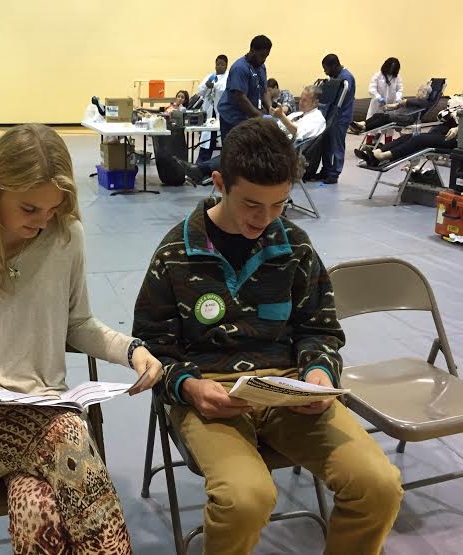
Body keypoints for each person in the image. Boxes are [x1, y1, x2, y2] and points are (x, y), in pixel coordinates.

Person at [133, 117, 403, 555]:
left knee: (379, 485)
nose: (265, 219)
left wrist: (318, 374)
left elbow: (319, 329)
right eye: (251, 204)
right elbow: (150, 348)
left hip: (288, 391)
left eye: (279, 204)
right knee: (245, 500)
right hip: (210, 395)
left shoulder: (294, 246)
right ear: (219, 184)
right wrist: (189, 387)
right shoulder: (176, 253)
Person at [0, 124, 164, 553]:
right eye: (29, 208)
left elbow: (77, 324)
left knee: (39, 510)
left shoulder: (65, 236)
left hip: (43, 412)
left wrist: (131, 349)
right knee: (68, 435)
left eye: (53, 208)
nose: (43, 221)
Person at [176, 35, 273, 185]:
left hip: (248, 116)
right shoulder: (240, 68)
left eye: (266, 56)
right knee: (235, 152)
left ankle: (203, 171)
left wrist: (270, 109)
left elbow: (264, 90)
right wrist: (259, 115)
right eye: (261, 55)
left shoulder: (261, 67)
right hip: (232, 116)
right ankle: (203, 170)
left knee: (242, 152)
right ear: (252, 51)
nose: (264, 59)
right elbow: (240, 97)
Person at [356, 83, 463, 166]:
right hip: (442, 134)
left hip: (454, 141)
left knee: (419, 139)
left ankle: (383, 156)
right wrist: (454, 114)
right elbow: (442, 114)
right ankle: (376, 154)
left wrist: (457, 127)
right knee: (408, 137)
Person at [317, 54, 356, 184]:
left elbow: (338, 98)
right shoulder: (335, 77)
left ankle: (334, 173)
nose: (325, 72)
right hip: (331, 116)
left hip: (341, 117)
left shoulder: (346, 78)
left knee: (337, 146)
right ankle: (326, 170)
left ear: (334, 65)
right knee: (326, 144)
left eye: (326, 69)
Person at [350, 82, 432, 133]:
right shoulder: (417, 101)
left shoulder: (423, 101)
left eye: (419, 91)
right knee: (378, 115)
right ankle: (362, 124)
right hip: (402, 115)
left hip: (407, 118)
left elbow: (404, 102)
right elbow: (398, 105)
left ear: (424, 92)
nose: (417, 92)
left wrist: (401, 102)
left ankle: (364, 128)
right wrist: (387, 106)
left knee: (383, 118)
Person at [196, 55, 229, 164]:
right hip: (209, 115)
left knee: (224, 143)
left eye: (222, 65)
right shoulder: (210, 76)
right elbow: (200, 92)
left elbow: (224, 89)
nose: (219, 67)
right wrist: (206, 86)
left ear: (226, 66)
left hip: (222, 115)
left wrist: (214, 86)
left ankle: (221, 166)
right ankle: (201, 165)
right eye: (218, 64)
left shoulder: (228, 77)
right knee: (206, 142)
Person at [363, 57, 403, 143]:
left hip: (390, 106)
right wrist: (378, 97)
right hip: (377, 105)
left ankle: (387, 145)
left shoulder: (397, 78)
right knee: (372, 127)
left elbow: (399, 90)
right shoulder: (378, 75)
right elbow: (371, 89)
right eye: (390, 68)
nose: (391, 71)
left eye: (393, 69)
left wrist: (398, 99)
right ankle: (369, 145)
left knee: (389, 129)